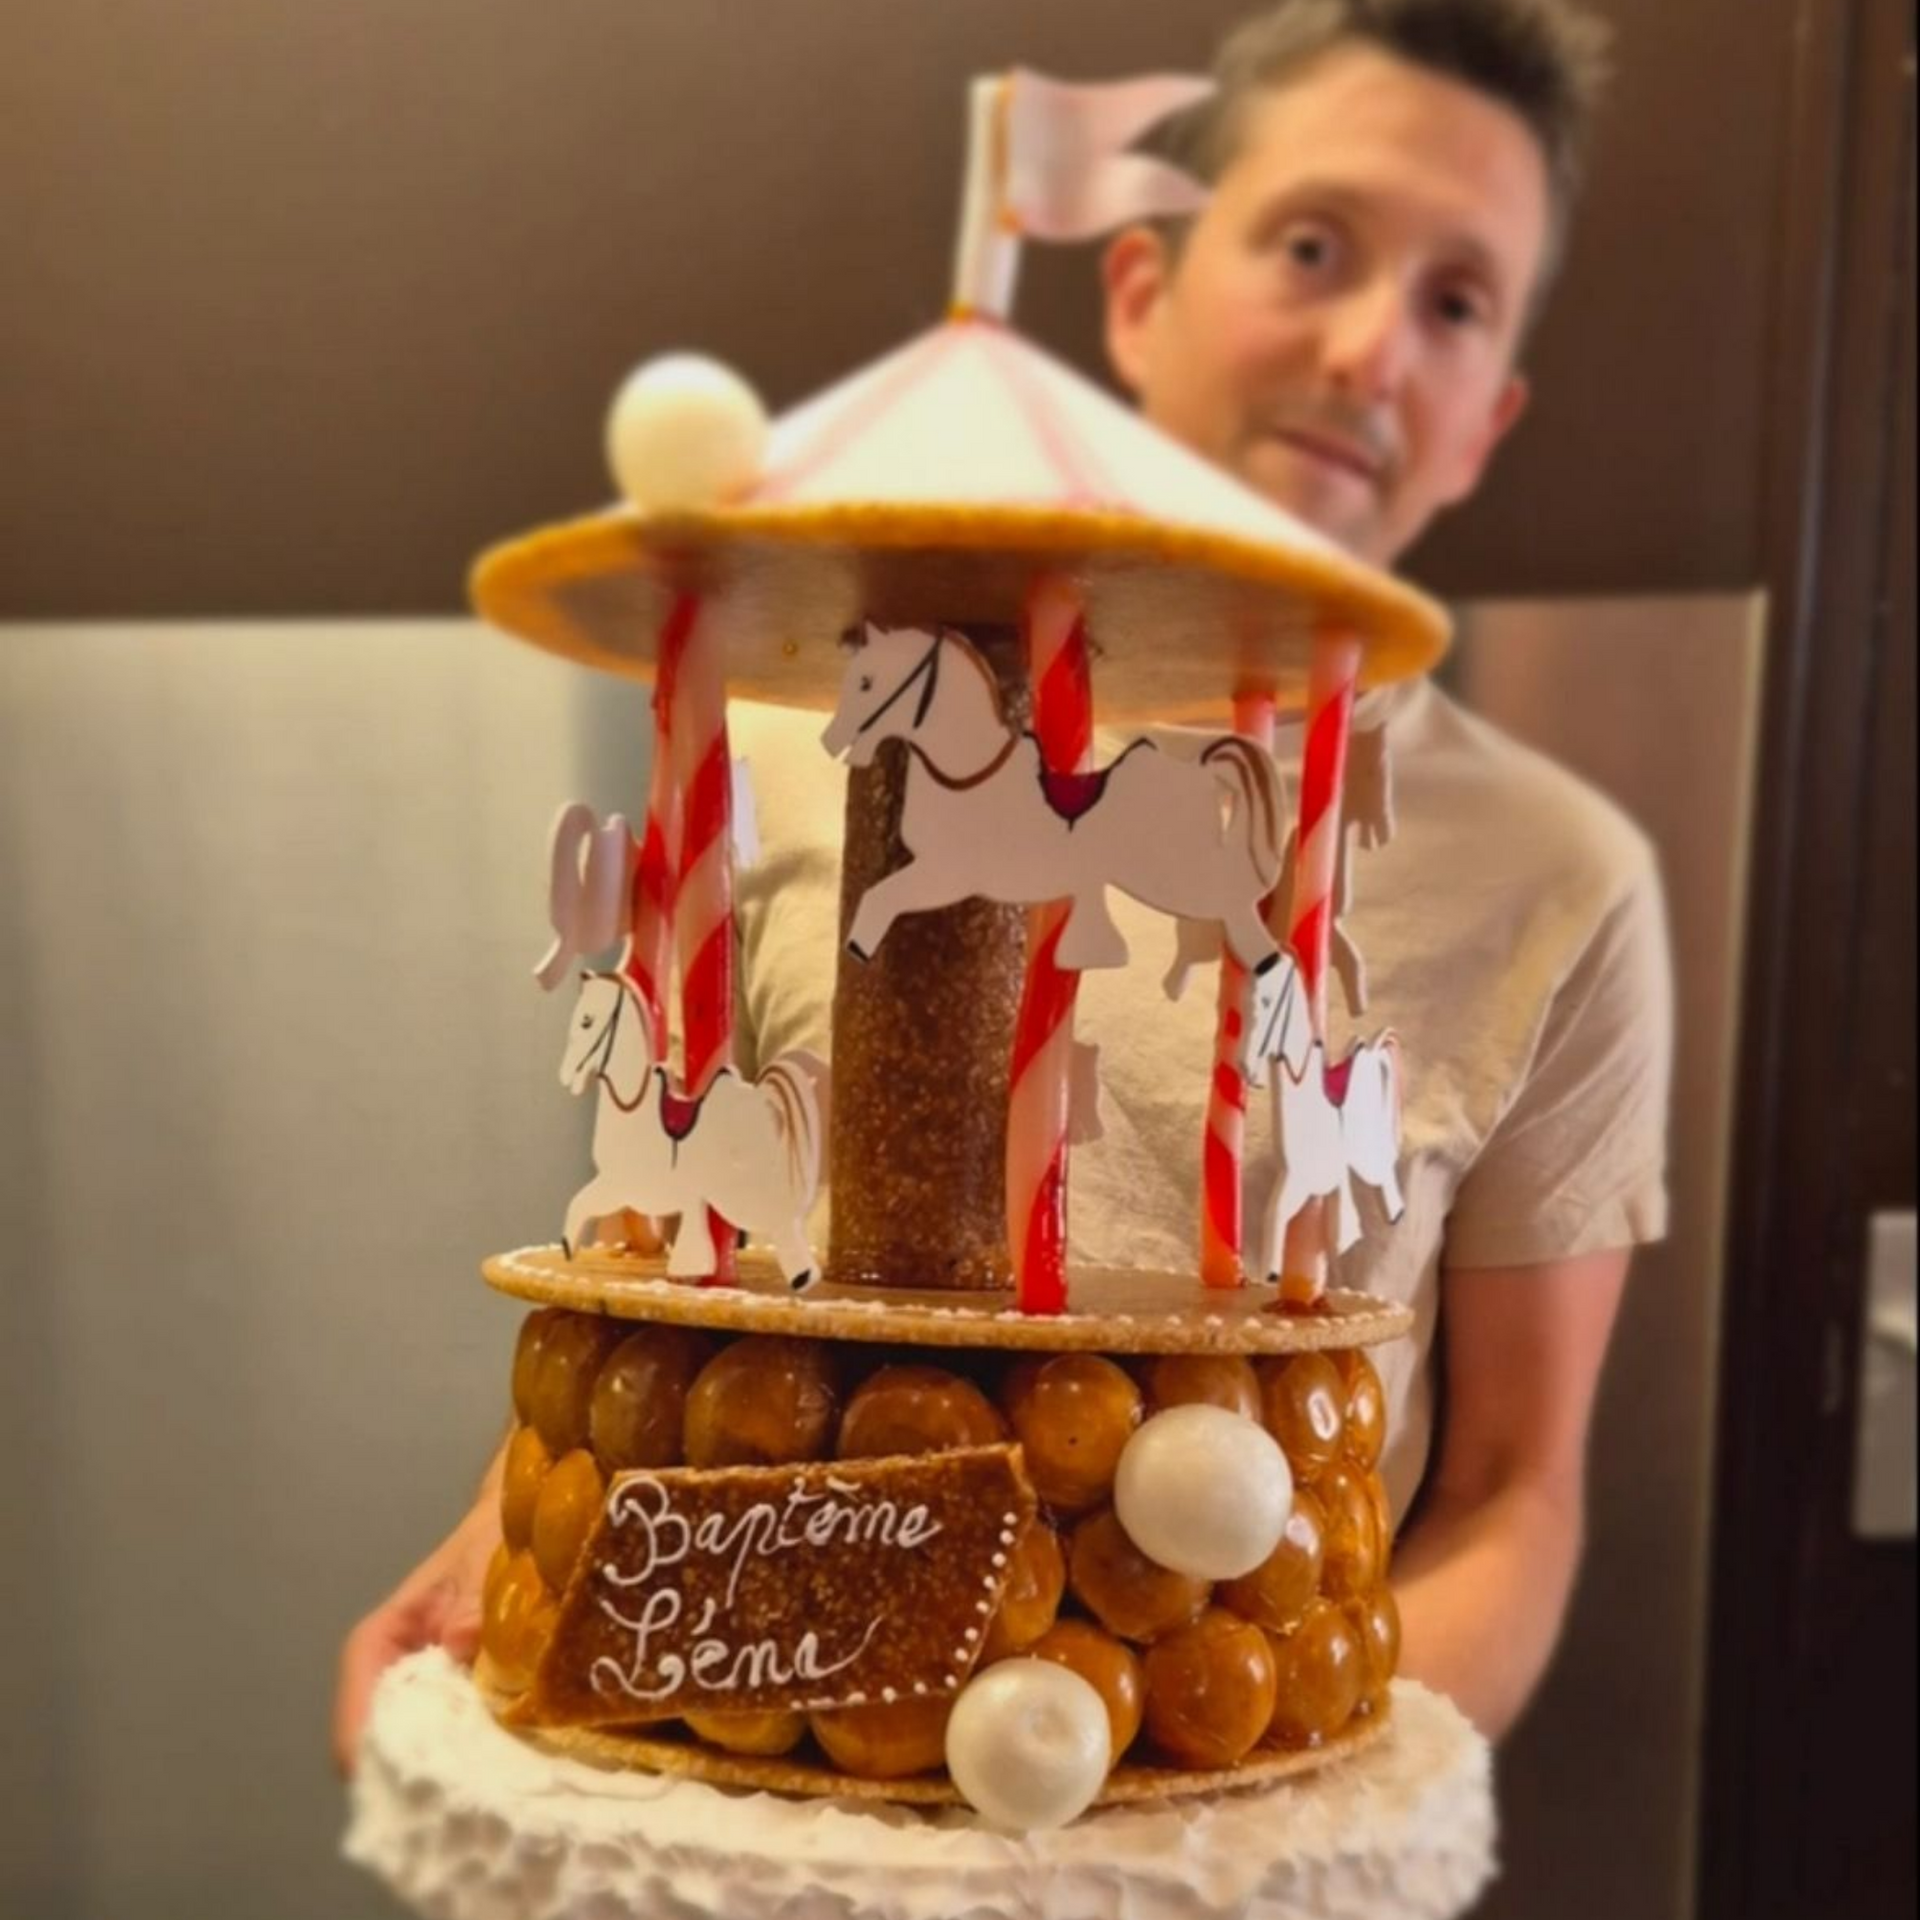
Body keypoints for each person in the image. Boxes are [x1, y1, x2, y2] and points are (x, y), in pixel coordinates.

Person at [336, 0, 1670, 1770]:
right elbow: (688, 1262)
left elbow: (1518, 1489)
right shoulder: (784, 743)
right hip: (758, 1786)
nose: (1368, 348)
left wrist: (1234, 1813)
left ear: (1487, 417)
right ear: (1138, 293)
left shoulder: (1558, 879)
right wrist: (512, 1549)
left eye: (1454, 299)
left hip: (1182, 1738)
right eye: (1311, 245)